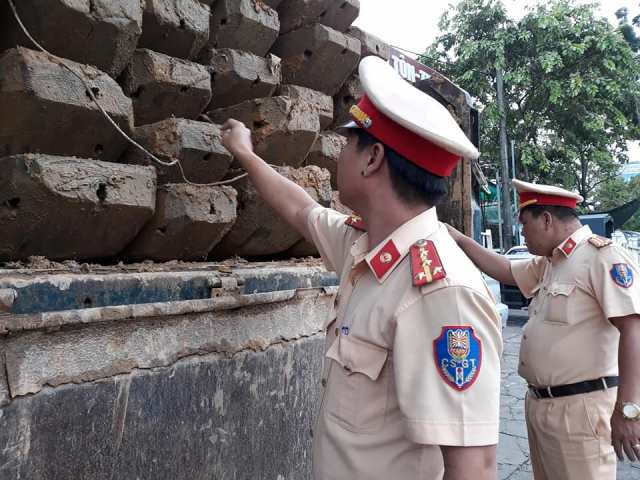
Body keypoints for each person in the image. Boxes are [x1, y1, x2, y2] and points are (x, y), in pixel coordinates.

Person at [221, 56, 502, 480]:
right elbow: (302, 210)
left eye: (346, 144)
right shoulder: (365, 246)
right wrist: (244, 153)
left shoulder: (441, 291)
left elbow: (473, 466)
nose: (337, 155)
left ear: (372, 159)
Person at [448, 179, 640, 479]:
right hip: (542, 406)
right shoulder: (551, 263)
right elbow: (505, 269)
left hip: (581, 411)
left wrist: (629, 410)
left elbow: (633, 329)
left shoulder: (601, 257)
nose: (522, 233)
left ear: (547, 219)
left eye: (525, 224)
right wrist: (459, 240)